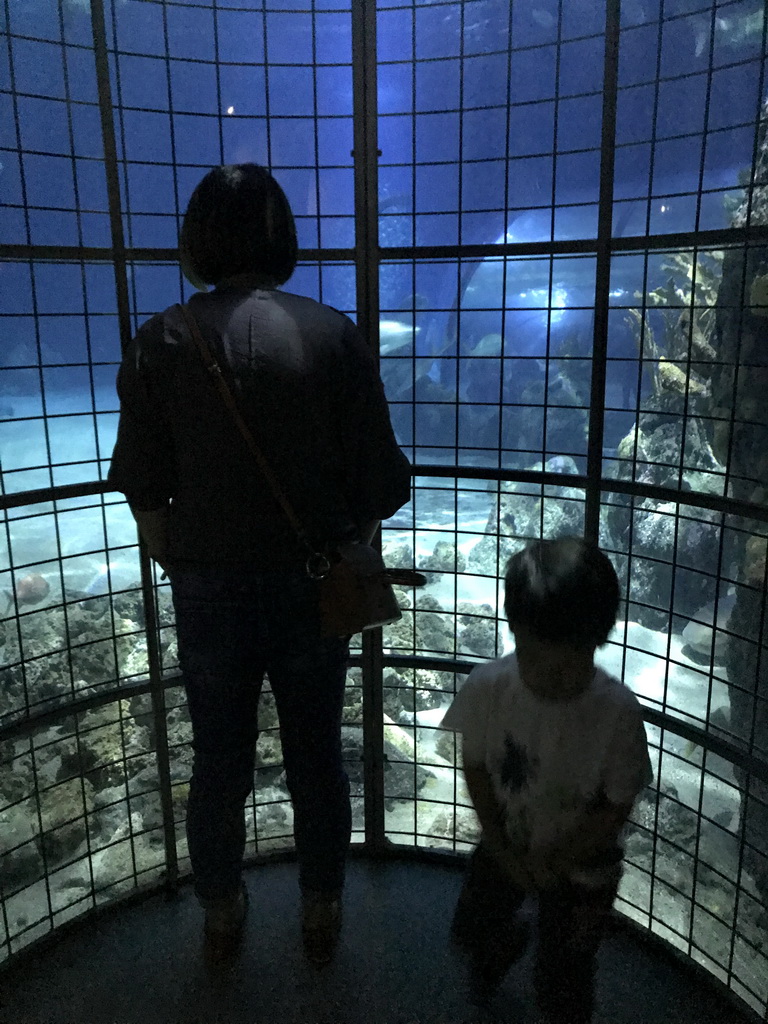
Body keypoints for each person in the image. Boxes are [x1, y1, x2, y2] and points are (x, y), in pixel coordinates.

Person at [107, 164, 411, 963]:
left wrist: (180, 554)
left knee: (217, 759)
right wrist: (344, 545)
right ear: (284, 237)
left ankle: (220, 907)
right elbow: (382, 482)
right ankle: (321, 905)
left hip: (207, 590)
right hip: (315, 589)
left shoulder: (160, 340)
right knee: (317, 754)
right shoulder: (333, 333)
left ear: (197, 240)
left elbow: (144, 490)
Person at [440, 536, 653, 1023]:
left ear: (599, 639)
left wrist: (558, 860)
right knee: (471, 929)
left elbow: (616, 805)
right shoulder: (488, 688)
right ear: (514, 630)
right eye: (538, 659)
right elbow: (473, 766)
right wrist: (499, 845)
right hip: (505, 845)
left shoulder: (618, 714)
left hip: (583, 871)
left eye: (569, 661)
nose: (553, 677)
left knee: (566, 979)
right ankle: (502, 948)